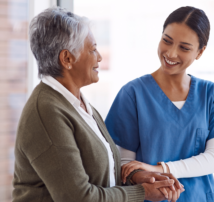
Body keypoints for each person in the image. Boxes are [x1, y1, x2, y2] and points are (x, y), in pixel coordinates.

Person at [12, 7, 184, 202]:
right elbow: (78, 197)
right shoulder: (47, 112)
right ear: (67, 59)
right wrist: (142, 192)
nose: (99, 57)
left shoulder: (78, 103)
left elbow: (96, 172)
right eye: (92, 49)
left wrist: (135, 178)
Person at [105, 6, 214, 202]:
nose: (171, 53)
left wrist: (161, 168)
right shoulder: (133, 93)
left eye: (184, 48)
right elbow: (126, 164)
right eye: (166, 41)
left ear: (200, 52)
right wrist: (147, 175)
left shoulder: (209, 94)